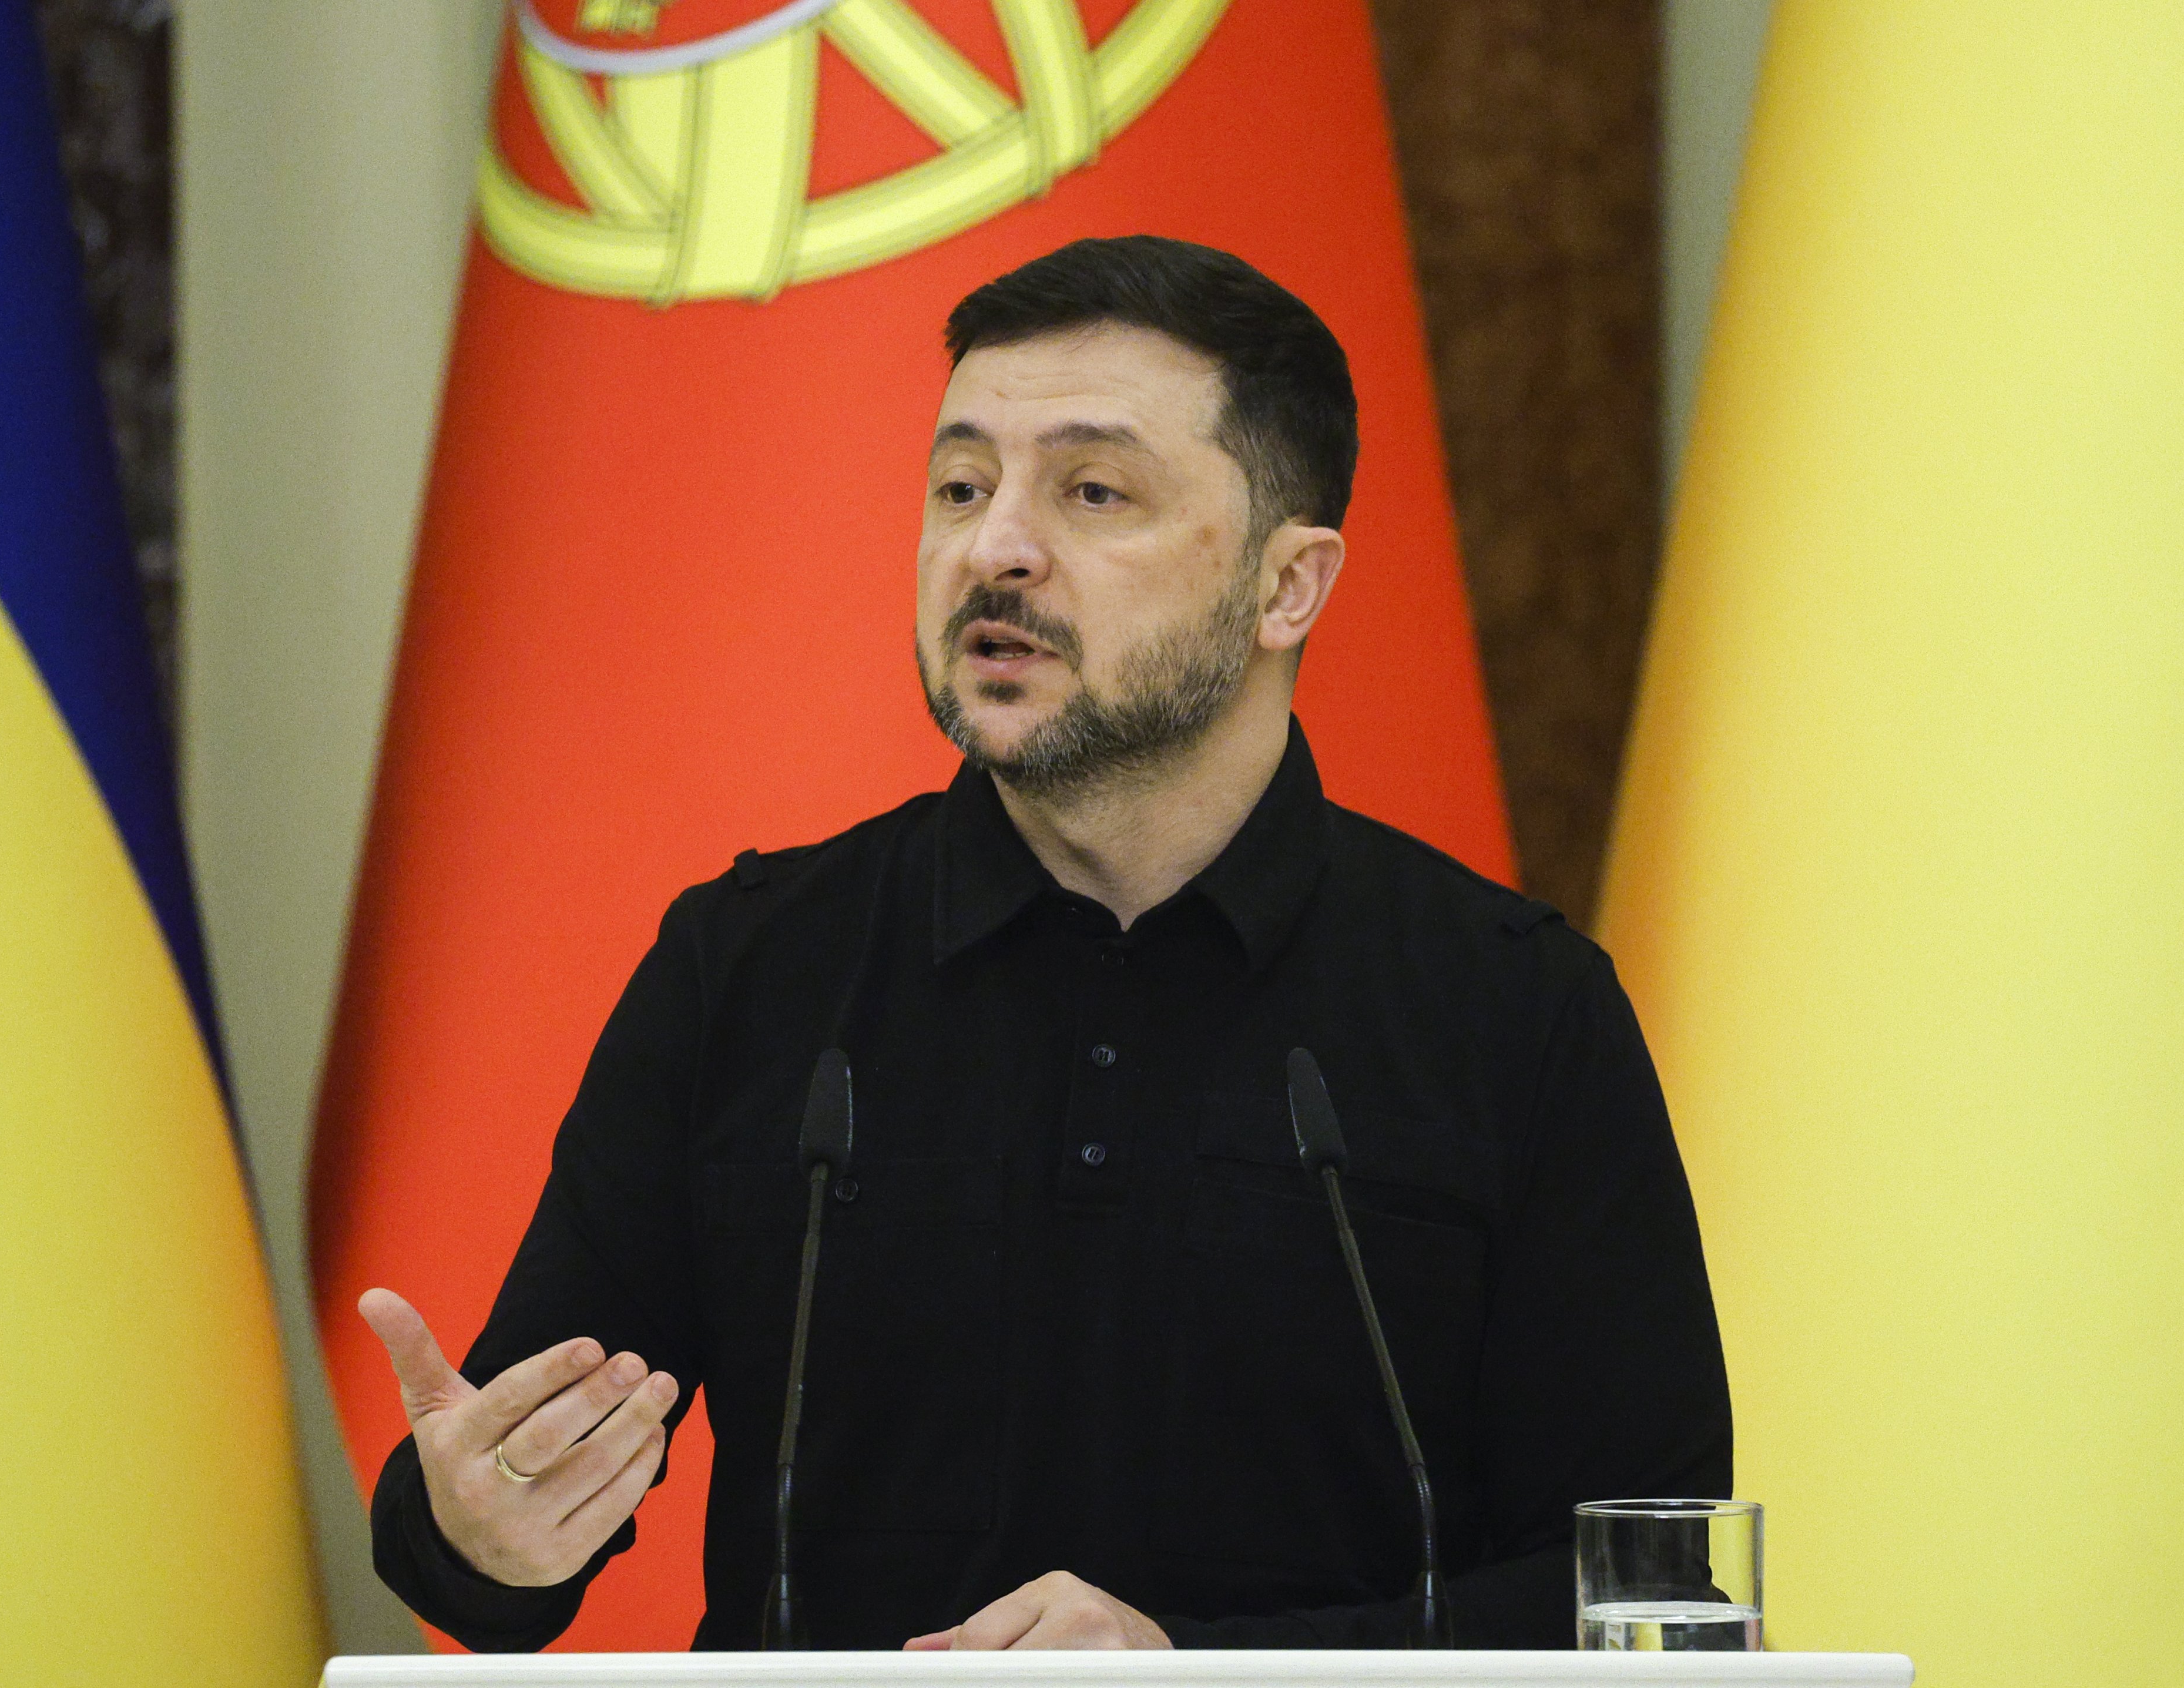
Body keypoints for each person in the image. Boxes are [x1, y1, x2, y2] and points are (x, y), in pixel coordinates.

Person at [360, 234, 1729, 1652]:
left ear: (1288, 588)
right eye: (960, 486)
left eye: (1090, 492)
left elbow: (1653, 1593)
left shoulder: (1509, 1006)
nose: (992, 546)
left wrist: (1196, 1681)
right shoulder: (751, 970)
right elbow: (499, 1521)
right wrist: (478, 1527)